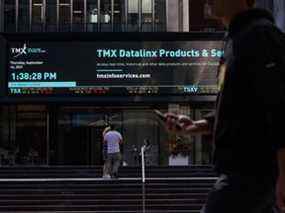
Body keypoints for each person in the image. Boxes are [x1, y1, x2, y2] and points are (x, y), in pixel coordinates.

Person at [165, 0, 285, 212]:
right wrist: (196, 125)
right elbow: (239, 109)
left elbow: (280, 108)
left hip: (252, 175)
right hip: (243, 176)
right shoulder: (233, 40)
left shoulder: (261, 36)